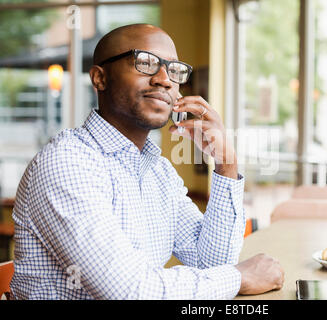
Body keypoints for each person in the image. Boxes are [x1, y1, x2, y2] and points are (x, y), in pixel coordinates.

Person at [10, 24, 284, 299]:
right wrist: (238, 278)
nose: (164, 79)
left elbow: (210, 263)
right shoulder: (68, 163)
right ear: (99, 78)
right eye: (145, 62)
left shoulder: (158, 171)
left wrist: (226, 164)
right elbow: (130, 291)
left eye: (174, 69)